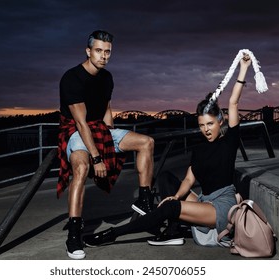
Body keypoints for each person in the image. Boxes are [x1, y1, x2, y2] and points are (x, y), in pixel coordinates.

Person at [83, 53, 252, 249]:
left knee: (170, 207)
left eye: (210, 124)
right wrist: (177, 196)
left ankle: (112, 234)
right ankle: (173, 230)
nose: (206, 129)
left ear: (220, 120)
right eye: (201, 125)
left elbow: (233, 102)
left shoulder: (229, 142)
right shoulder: (199, 149)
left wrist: (244, 68)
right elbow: (189, 180)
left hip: (221, 207)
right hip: (204, 201)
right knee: (165, 178)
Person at [57, 30, 155, 259]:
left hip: (100, 129)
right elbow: (81, 123)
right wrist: (98, 157)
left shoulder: (107, 77)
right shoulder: (72, 78)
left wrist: (111, 141)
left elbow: (107, 110)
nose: (103, 56)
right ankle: (73, 234)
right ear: (88, 51)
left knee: (146, 142)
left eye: (107, 52)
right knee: (81, 168)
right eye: (99, 51)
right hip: (76, 130)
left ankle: (144, 199)